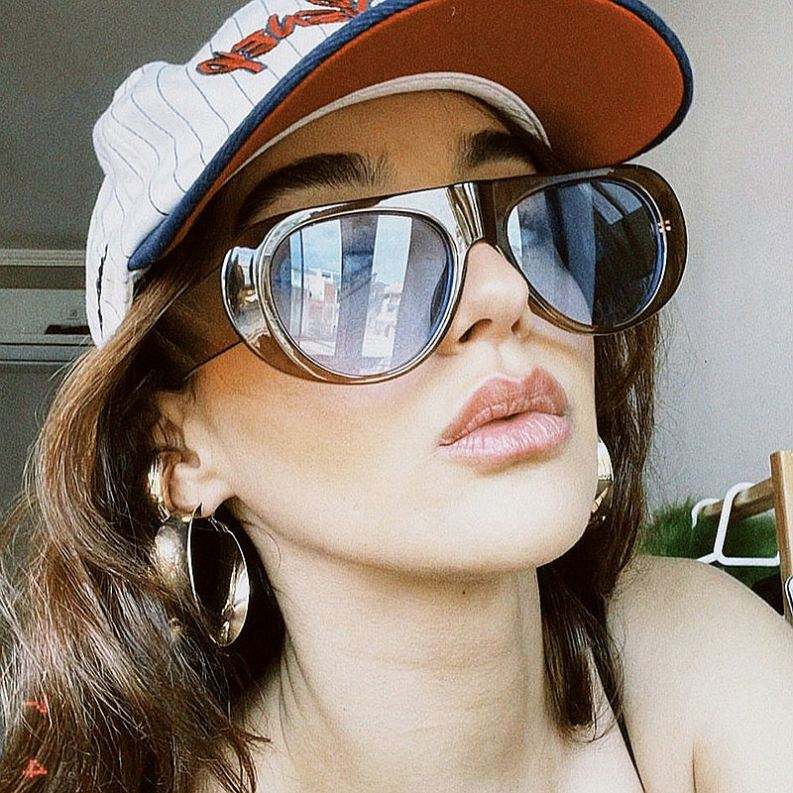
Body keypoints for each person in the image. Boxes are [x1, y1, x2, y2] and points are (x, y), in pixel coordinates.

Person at [2, 2, 792, 792]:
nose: (501, 290)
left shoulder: (693, 660)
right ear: (179, 450)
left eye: (532, 221)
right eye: (351, 260)